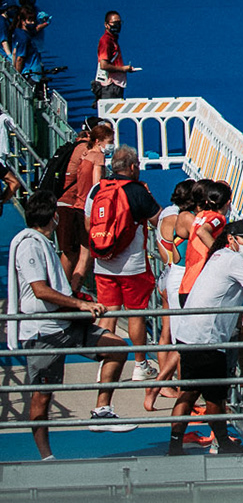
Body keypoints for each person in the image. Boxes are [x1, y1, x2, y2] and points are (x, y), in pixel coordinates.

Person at [6, 192, 125, 458]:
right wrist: (80, 305)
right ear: (54, 217)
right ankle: (46, 456)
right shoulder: (29, 245)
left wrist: (77, 296)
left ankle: (102, 412)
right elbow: (40, 290)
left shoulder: (45, 243)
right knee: (42, 396)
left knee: (117, 348)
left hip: (65, 323)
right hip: (43, 332)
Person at [169, 219, 243, 457]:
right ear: (231, 239)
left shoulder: (220, 255)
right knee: (215, 397)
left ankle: (175, 445)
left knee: (188, 393)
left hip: (190, 334)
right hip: (208, 339)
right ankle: (222, 442)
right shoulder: (233, 260)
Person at [79, 145, 163, 409]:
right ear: (133, 167)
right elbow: (157, 220)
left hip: (104, 264)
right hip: (133, 264)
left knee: (108, 313)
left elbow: (89, 224)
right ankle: (140, 365)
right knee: (136, 313)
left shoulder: (97, 190)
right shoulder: (137, 191)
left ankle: (106, 363)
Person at [148, 180, 199, 411]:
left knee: (168, 334)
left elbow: (166, 254)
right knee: (183, 341)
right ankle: (174, 389)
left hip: (168, 277)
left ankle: (166, 386)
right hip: (180, 279)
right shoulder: (183, 220)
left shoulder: (165, 218)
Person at [56, 120, 114, 276]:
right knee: (83, 255)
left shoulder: (85, 154)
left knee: (74, 252)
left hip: (76, 205)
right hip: (83, 208)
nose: (111, 145)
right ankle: (70, 290)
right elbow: (96, 186)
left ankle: (67, 289)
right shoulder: (97, 156)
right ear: (98, 139)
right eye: (110, 141)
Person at [177, 180, 232, 299]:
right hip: (198, 287)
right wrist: (221, 254)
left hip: (186, 285)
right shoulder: (218, 218)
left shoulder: (201, 216)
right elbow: (202, 231)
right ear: (228, 202)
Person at [93, 10, 134, 107]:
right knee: (108, 116)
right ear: (106, 25)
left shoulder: (113, 39)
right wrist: (123, 69)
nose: (118, 25)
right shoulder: (106, 41)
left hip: (115, 85)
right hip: (109, 86)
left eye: (119, 23)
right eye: (114, 23)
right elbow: (104, 65)